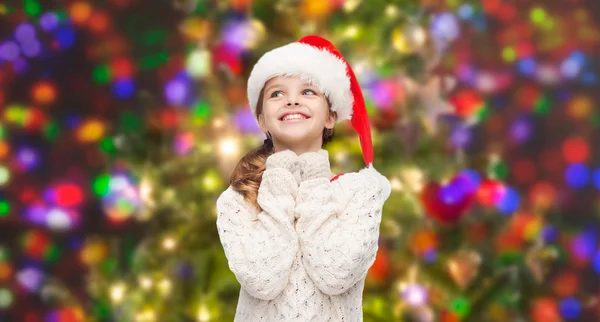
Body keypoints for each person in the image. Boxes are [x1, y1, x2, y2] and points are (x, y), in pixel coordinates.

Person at [216, 35, 391, 322]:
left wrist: (313, 177)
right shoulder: (238, 200)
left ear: (331, 116)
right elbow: (263, 279)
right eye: (276, 93)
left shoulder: (362, 192)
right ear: (261, 120)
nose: (292, 100)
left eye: (308, 91)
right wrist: (280, 177)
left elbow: (336, 273)